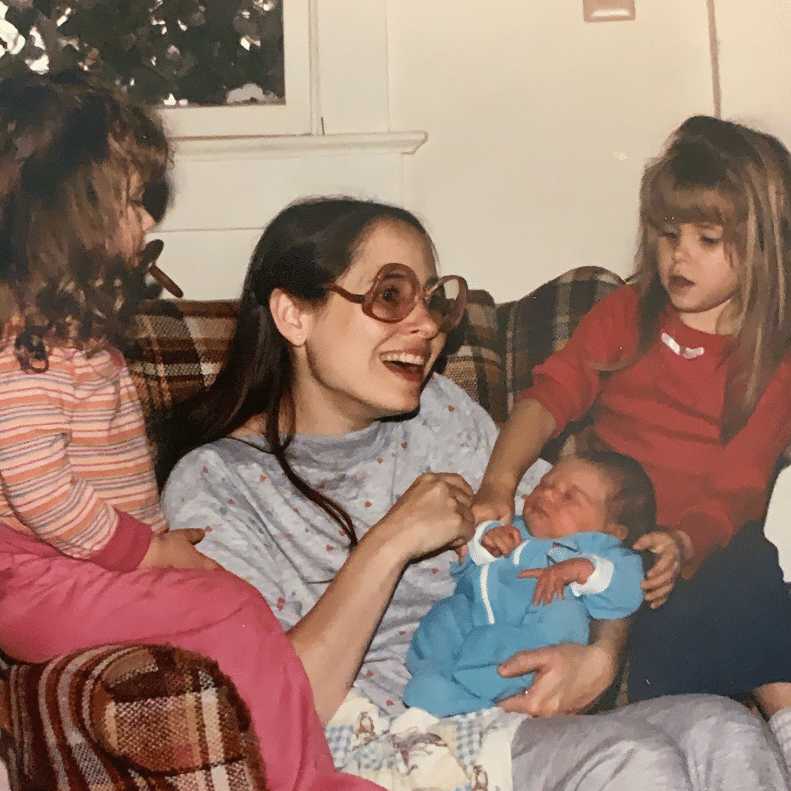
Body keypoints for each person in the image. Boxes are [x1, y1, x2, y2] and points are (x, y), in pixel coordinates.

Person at [162, 195, 789, 790]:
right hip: (403, 741)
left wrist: (600, 655)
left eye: (434, 301)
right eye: (391, 296)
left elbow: (591, 539)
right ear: (294, 315)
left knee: (724, 729)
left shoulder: (440, 413)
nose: (426, 326)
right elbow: (268, 705)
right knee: (634, 762)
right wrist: (391, 543)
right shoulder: (219, 485)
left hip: (519, 712)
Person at [0, 72, 382, 791]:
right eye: (129, 201)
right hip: (42, 582)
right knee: (231, 606)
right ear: (69, 214)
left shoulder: (66, 337)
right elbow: (36, 485)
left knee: (234, 604)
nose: (146, 220)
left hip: (71, 573)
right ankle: (304, 782)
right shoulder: (29, 348)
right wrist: (146, 552)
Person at [473, 114, 791, 769]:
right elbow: (547, 395)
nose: (679, 255)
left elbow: (737, 486)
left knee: (748, 573)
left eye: (707, 238)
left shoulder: (769, 361)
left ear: (762, 247)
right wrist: (499, 480)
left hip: (697, 546)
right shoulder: (627, 312)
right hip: (602, 532)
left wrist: (683, 541)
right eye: (668, 234)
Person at [405, 451, 651, 716]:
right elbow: (468, 558)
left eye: (569, 497)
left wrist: (584, 569)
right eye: (544, 484)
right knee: (446, 615)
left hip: (536, 625)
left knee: (559, 616)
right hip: (475, 611)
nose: (546, 495)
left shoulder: (602, 549)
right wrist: (488, 544)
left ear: (614, 530)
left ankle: (480, 698)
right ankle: (436, 681)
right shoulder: (513, 528)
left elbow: (628, 590)